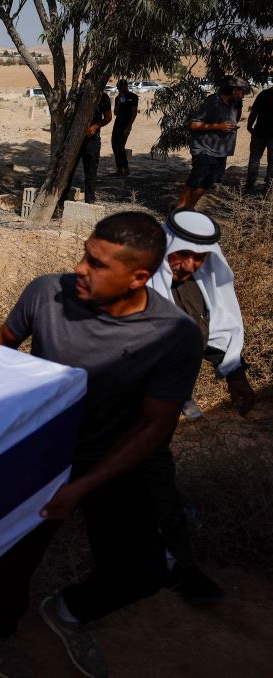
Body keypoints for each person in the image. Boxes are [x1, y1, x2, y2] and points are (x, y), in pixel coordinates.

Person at [0, 212, 203, 678]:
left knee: (143, 571)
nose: (80, 268)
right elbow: (0, 345)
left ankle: (70, 611)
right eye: (85, 255)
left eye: (97, 264)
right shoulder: (46, 292)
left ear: (138, 277)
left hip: (114, 462)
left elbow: (153, 427)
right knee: (11, 563)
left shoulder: (175, 334)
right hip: (39, 457)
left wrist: (81, 487)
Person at [144, 209, 255, 604]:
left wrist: (235, 373)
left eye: (200, 258)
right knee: (152, 481)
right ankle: (176, 567)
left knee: (149, 480)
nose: (190, 265)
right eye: (183, 255)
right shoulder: (136, 280)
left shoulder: (194, 286)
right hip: (128, 407)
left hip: (164, 407)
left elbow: (216, 329)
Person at [176, 76, 249, 209]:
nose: (244, 96)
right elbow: (194, 125)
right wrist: (219, 126)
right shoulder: (213, 102)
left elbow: (235, 119)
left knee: (209, 181)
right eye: (242, 92)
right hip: (204, 148)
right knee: (196, 179)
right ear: (234, 90)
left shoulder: (236, 103)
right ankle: (179, 209)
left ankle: (189, 208)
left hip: (221, 150)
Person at [66, 76, 112, 204]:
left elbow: (108, 117)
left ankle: (90, 200)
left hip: (92, 139)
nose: (86, 84)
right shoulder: (77, 96)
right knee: (68, 169)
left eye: (89, 82)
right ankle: (62, 197)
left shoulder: (103, 97)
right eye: (85, 82)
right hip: (75, 138)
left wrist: (96, 126)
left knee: (91, 170)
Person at [245, 84, 273, 194]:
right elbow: (254, 112)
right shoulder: (263, 94)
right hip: (263, 133)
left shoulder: (263, 94)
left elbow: (254, 112)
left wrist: (249, 126)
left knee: (254, 160)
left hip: (259, 131)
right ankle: (269, 189)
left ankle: (249, 186)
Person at [109, 79, 138, 177]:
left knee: (120, 146)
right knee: (114, 145)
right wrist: (119, 102)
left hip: (126, 124)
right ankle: (120, 168)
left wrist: (129, 127)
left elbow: (134, 113)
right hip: (118, 124)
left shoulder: (133, 97)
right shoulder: (118, 98)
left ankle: (125, 168)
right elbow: (115, 113)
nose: (120, 89)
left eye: (121, 87)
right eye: (118, 88)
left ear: (126, 86)